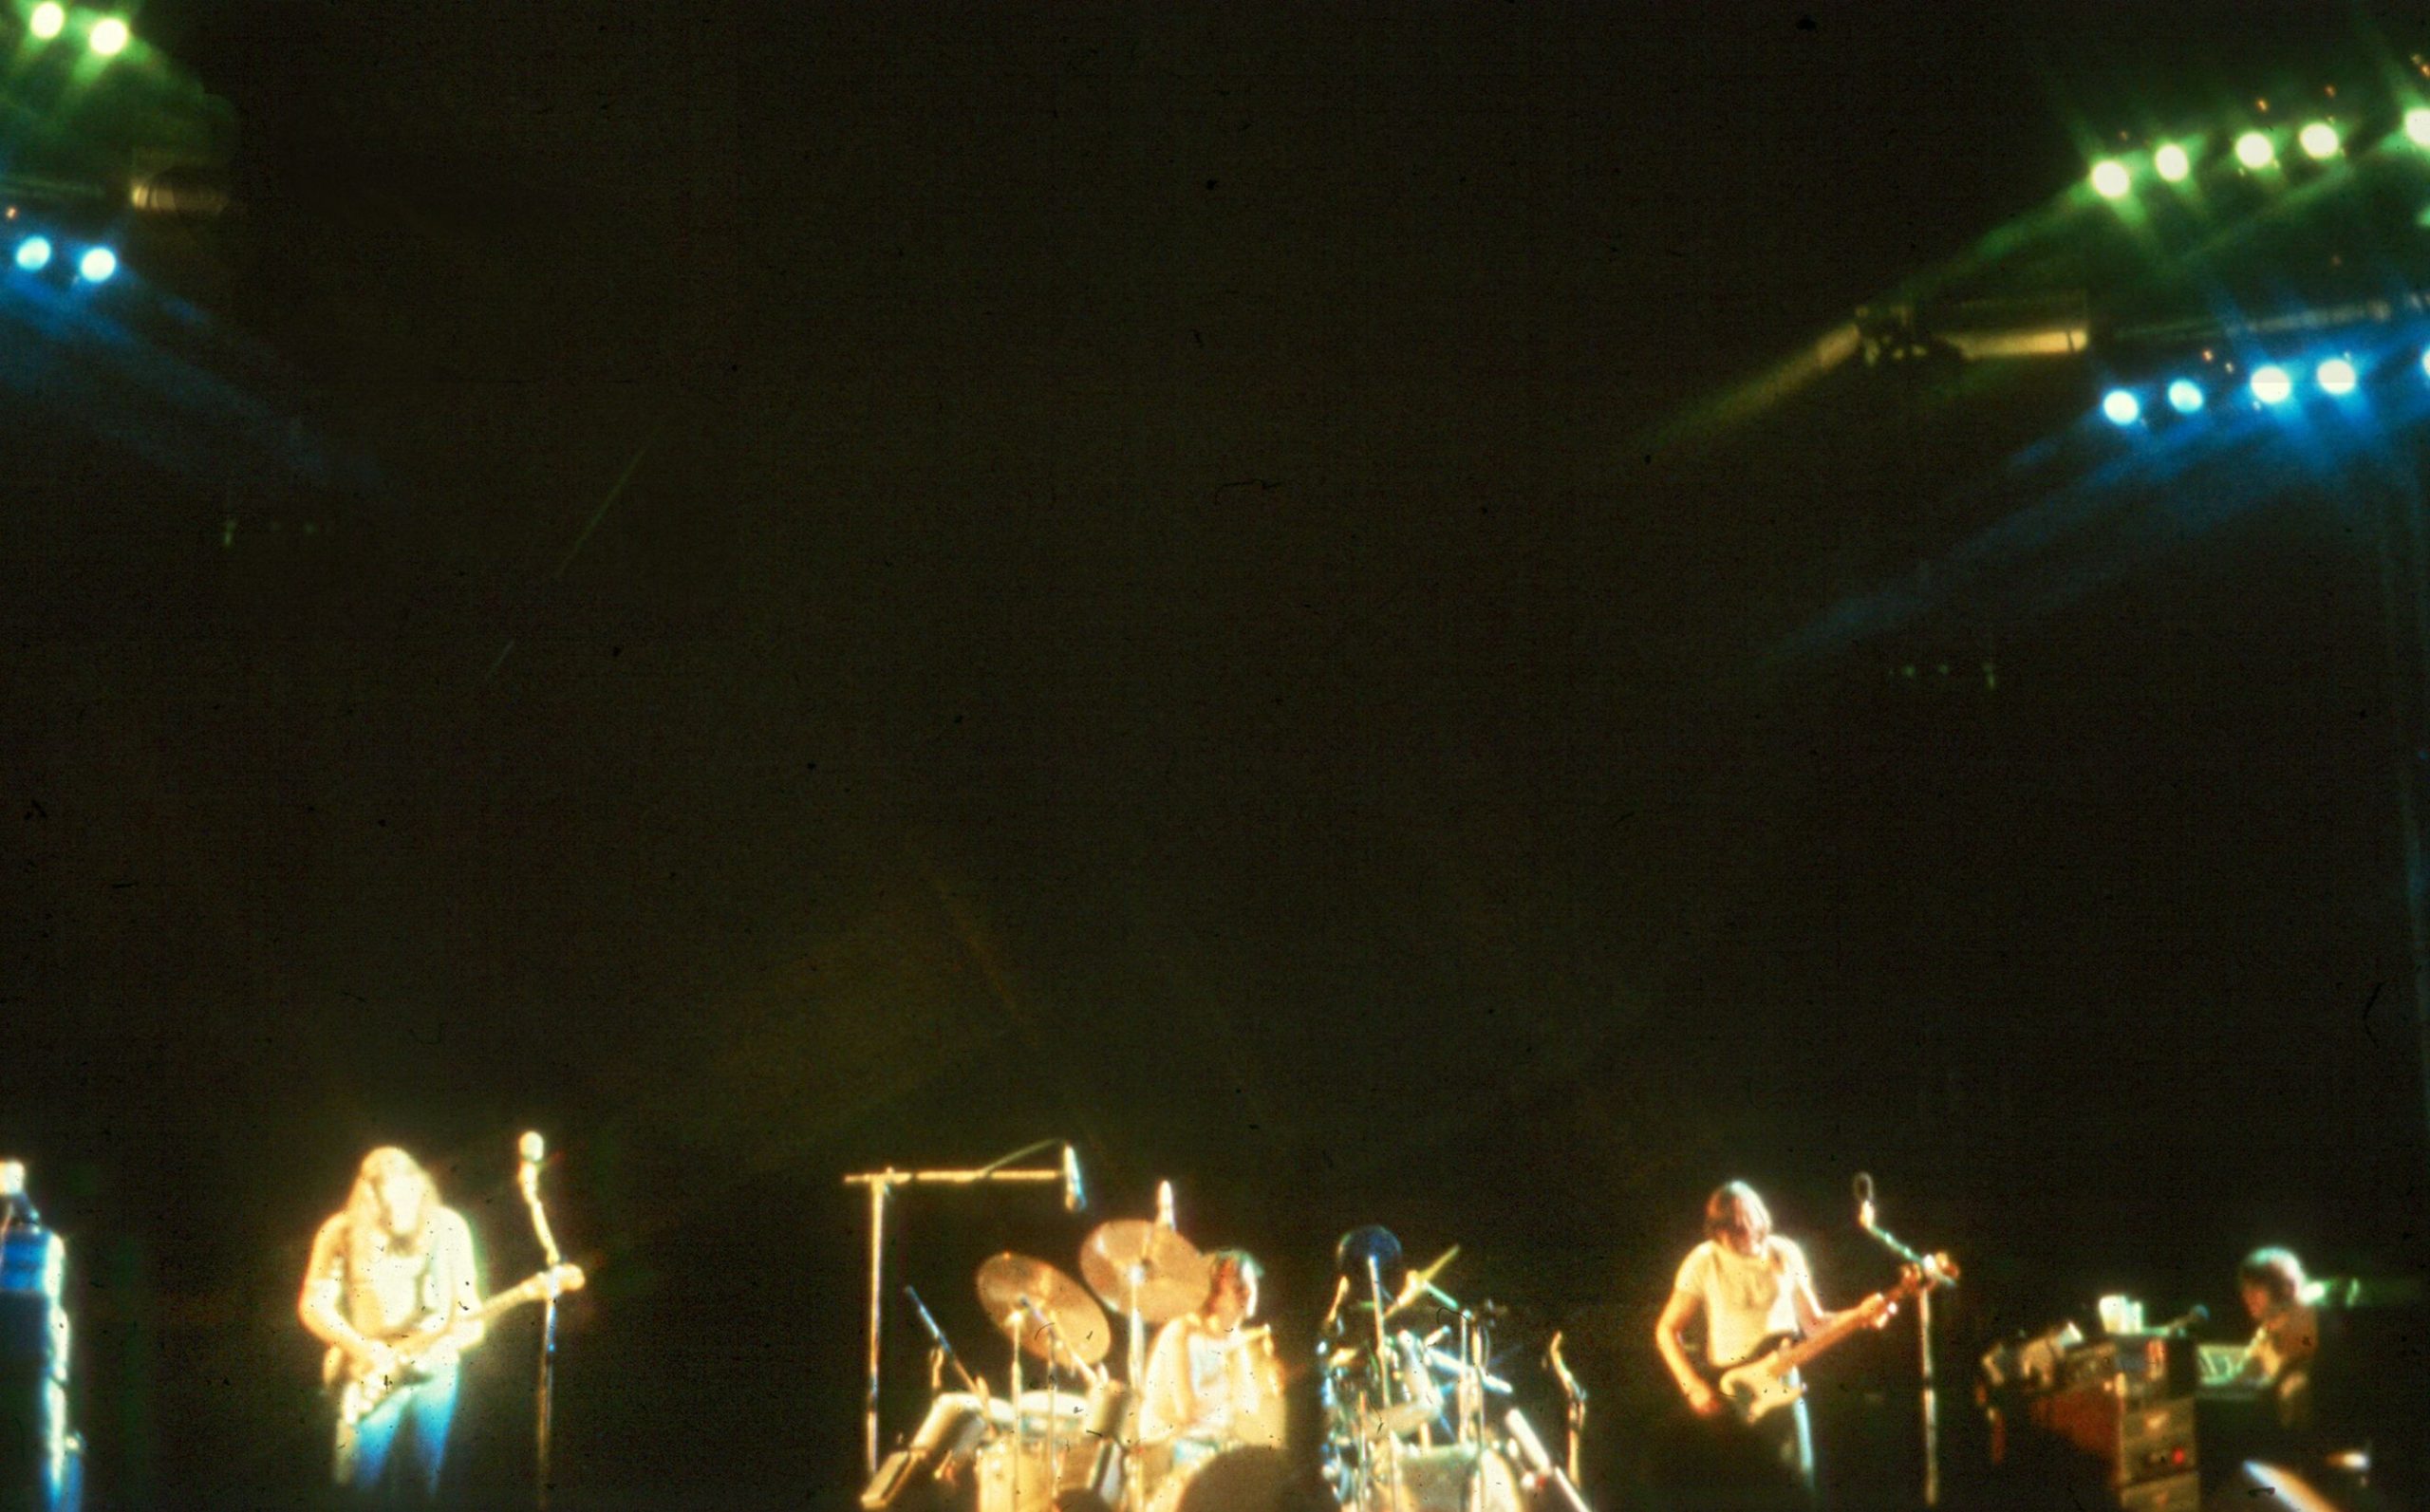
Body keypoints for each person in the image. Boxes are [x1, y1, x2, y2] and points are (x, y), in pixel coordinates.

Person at [1654, 1182, 1887, 1510]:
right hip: (1732, 1390)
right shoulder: (1703, 1260)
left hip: (1783, 1383)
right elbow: (1666, 1329)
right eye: (1735, 1224)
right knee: (1737, 1492)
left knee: (1794, 1487)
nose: (1746, 1228)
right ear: (1718, 1229)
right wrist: (1692, 1386)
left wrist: (1861, 1315)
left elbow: (1815, 1323)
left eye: (1751, 1217)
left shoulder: (1786, 1252)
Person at [297, 1148, 485, 1503]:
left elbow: (471, 1313)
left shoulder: (449, 1228)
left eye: (406, 1200)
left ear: (420, 1189)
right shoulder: (340, 1232)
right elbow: (313, 1302)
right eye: (386, 1206)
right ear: (368, 1201)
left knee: (430, 1484)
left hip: (434, 1373)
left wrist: (451, 1339)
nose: (398, 1214)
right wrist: (361, 1347)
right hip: (370, 1370)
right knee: (357, 1486)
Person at [1140, 1250, 1282, 1470]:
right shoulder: (1183, 1333)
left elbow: (1246, 1409)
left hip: (1212, 1447)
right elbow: (1187, 1412)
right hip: (1170, 1448)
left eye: (1251, 1282)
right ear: (1213, 1294)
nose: (1248, 1290)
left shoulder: (1237, 1341)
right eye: (1237, 1284)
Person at [2235, 1246, 2319, 1435]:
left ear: (2286, 1289)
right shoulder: (2268, 1329)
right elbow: (2242, 1376)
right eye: (2245, 1289)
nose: (2247, 1297)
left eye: (2256, 1289)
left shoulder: (2310, 1320)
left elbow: (2306, 1349)